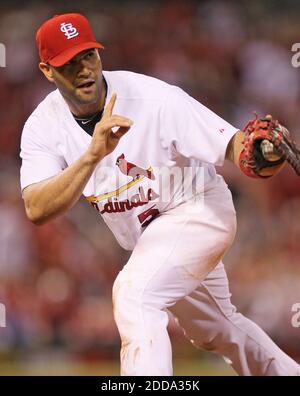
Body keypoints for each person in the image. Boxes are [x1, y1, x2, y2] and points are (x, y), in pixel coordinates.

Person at [20, 13, 300, 376]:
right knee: (218, 330)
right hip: (152, 240)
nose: (83, 69)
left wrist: (262, 151)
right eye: (68, 63)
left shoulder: (153, 98)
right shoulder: (43, 126)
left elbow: (234, 146)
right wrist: (92, 155)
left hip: (198, 210)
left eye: (88, 56)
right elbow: (37, 207)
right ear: (47, 70)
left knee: (134, 296)